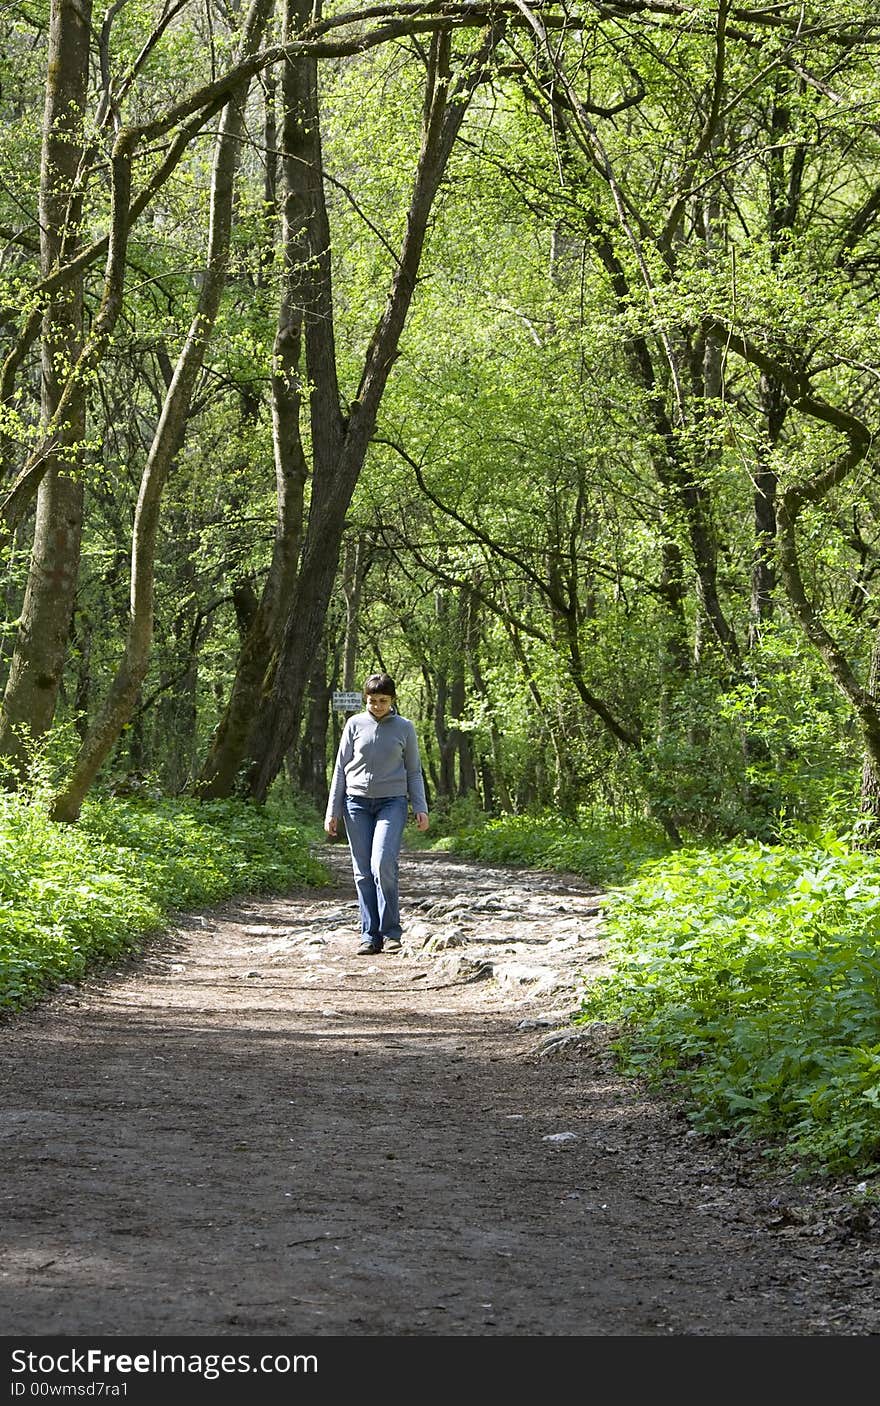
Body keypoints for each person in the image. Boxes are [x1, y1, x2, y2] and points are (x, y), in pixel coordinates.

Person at [324, 673, 429, 955]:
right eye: (372, 701)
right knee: (362, 872)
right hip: (355, 804)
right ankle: (369, 935)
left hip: (392, 803)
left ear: (392, 700)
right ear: (365, 700)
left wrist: (420, 807)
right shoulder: (354, 724)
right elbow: (339, 768)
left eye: (383, 701)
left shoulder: (404, 727)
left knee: (382, 863)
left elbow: (414, 771)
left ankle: (391, 932)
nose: (377, 706)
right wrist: (332, 810)